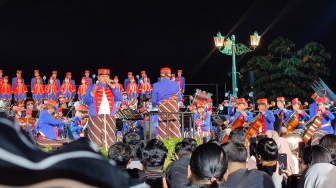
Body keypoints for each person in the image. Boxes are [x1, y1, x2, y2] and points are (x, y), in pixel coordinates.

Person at [83, 68, 122, 148]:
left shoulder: (112, 88)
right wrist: (92, 93)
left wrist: (114, 87)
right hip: (95, 116)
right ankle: (97, 156)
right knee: (96, 138)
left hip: (109, 116)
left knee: (109, 138)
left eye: (107, 76)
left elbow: (120, 98)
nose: (105, 78)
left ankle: (108, 157)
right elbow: (86, 101)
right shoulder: (92, 87)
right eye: (103, 76)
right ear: (98, 77)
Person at [152, 67, 182, 139]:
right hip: (173, 108)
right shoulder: (176, 84)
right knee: (174, 127)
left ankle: (164, 145)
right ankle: (174, 145)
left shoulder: (156, 85)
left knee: (163, 127)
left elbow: (154, 101)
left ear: (161, 76)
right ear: (170, 76)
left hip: (163, 109)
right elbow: (180, 98)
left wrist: (154, 105)